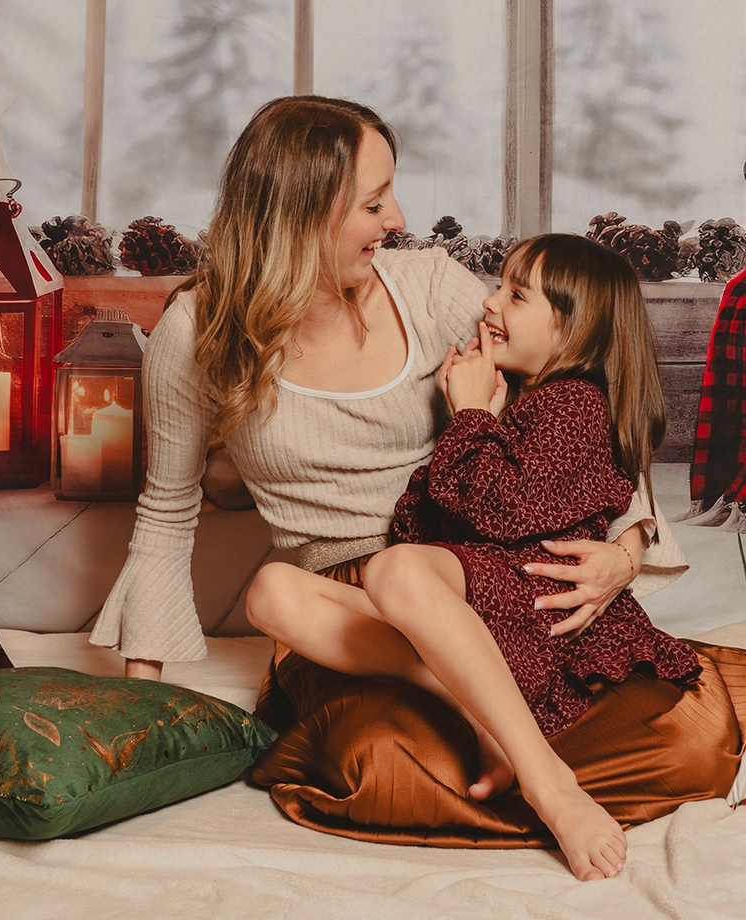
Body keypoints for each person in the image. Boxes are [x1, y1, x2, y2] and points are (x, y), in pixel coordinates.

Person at [87, 96, 681, 757]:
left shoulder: (431, 288)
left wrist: (626, 556)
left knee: (666, 729)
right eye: (374, 204)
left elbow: (579, 407)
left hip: (468, 579)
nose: (397, 220)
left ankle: (519, 740)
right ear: (301, 214)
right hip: (342, 605)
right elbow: (167, 511)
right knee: (394, 760)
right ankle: (497, 731)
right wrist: (139, 706)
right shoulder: (196, 330)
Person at [246, 234, 699, 881]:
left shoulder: (576, 403)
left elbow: (499, 513)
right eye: (499, 287)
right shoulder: (523, 398)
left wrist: (467, 413)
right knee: (271, 591)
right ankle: (472, 704)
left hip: (528, 604)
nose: (490, 304)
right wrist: (483, 412)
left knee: (398, 568)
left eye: (517, 295)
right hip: (475, 600)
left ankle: (548, 781)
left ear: (574, 329)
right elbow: (444, 515)